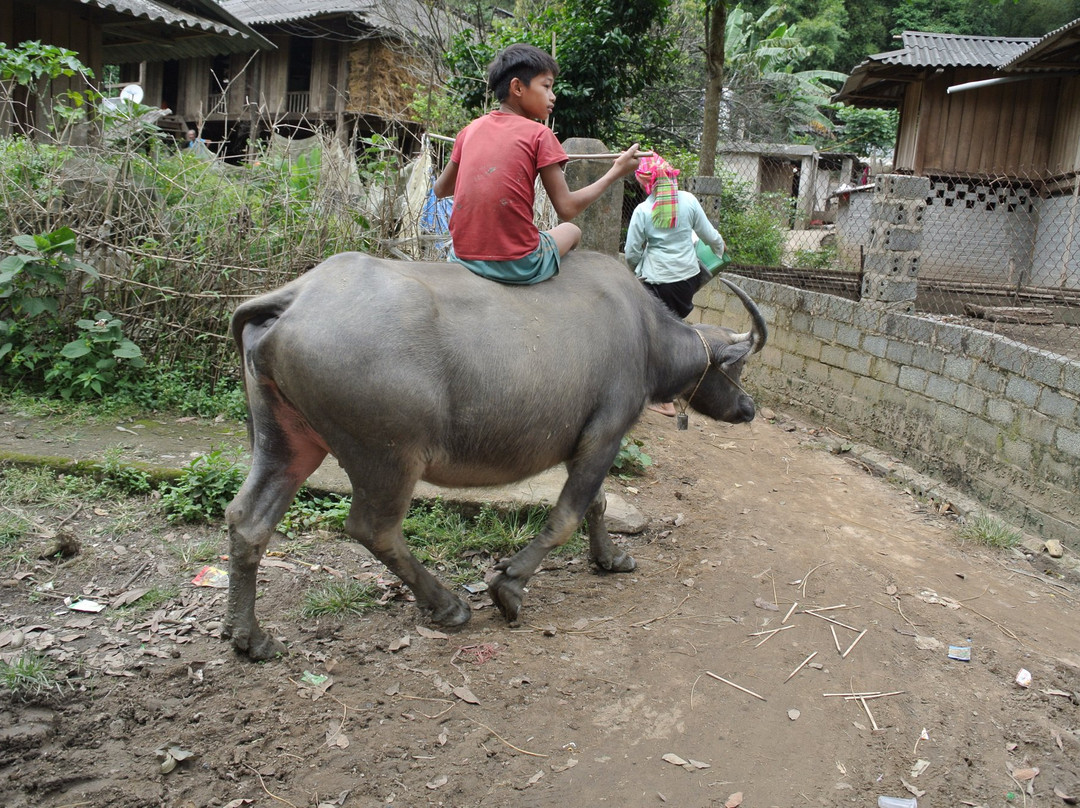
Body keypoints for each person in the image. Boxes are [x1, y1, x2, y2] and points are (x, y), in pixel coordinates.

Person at [432, 43, 641, 284]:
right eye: (546, 86)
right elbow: (567, 209)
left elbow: (440, 190)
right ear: (518, 87)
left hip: (461, 257)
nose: (553, 96)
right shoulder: (539, 134)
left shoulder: (469, 131)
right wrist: (616, 171)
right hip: (516, 263)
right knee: (573, 231)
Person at [624, 153, 727, 416]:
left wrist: (635, 271)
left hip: (658, 282)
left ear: (647, 183)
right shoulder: (690, 201)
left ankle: (664, 398)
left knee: (653, 336)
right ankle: (669, 391)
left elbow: (632, 251)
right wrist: (719, 250)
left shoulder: (643, 210)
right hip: (687, 282)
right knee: (674, 332)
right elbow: (710, 236)